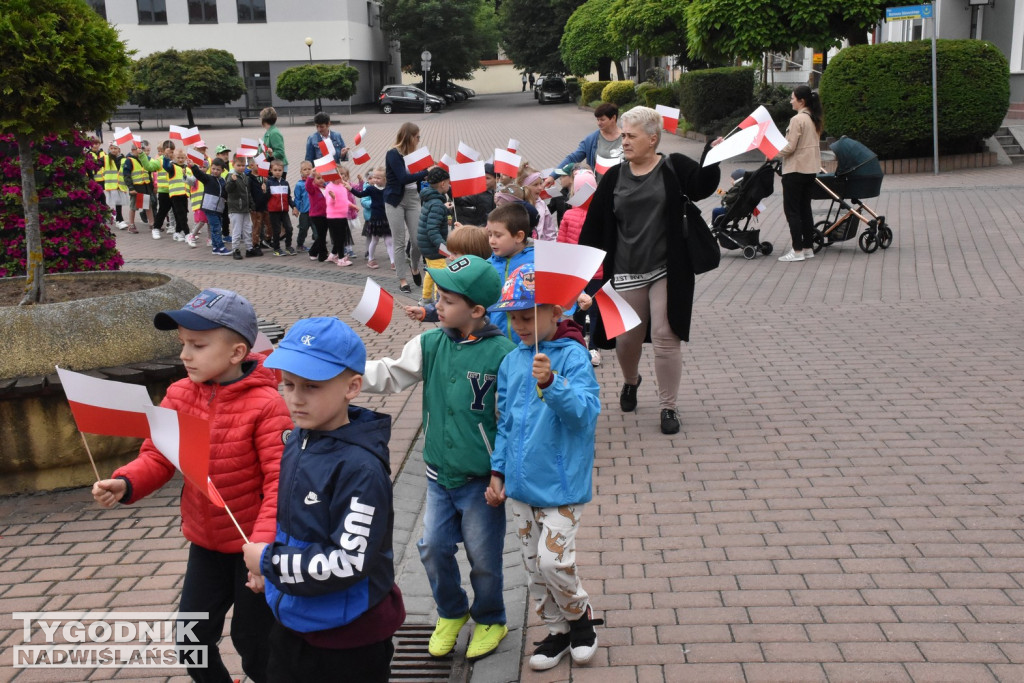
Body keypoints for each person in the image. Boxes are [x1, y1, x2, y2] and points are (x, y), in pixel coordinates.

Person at [92, 288, 291, 683]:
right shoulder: (179, 394)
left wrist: (264, 549)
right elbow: (159, 455)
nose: (185, 355)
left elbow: (279, 485)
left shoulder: (268, 405)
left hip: (253, 547)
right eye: (183, 343)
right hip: (205, 542)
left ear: (236, 353)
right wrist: (126, 481)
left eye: (198, 345)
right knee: (192, 640)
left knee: (255, 646)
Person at [362, 256, 516, 662]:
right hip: (438, 475)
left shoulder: (504, 353)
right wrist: (347, 372)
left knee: (484, 560)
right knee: (432, 547)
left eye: (446, 300)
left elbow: (512, 420)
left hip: (481, 481)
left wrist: (501, 470)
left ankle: (491, 618)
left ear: (477, 310)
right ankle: (451, 611)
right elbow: (392, 373)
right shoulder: (429, 343)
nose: (437, 305)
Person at [243, 317, 406, 683]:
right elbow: (292, 528)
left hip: (348, 636)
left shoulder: (361, 468)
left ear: (352, 387)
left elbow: (348, 561)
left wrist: (271, 563)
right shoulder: (297, 440)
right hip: (295, 620)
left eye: (312, 386)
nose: (297, 397)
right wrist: (270, 573)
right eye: (289, 384)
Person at [484, 264, 604, 671]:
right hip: (520, 484)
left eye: (526, 316)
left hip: (563, 483)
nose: (517, 325)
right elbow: (506, 422)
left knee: (554, 561)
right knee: (534, 567)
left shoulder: (572, 355)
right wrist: (498, 471)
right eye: (512, 317)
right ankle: (557, 629)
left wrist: (553, 383)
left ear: (555, 312)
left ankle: (580, 619)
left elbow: (586, 414)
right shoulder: (511, 361)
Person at [578, 105, 721, 435]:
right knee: (627, 339)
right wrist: (582, 272)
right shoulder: (614, 176)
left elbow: (702, 185)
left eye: (631, 136)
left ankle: (668, 406)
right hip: (626, 270)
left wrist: (711, 154)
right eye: (623, 135)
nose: (624, 142)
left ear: (652, 139)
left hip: (668, 269)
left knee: (664, 336)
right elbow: (595, 224)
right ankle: (631, 381)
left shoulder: (673, 167)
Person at [557, 169, 604, 366]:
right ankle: (593, 347)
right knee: (594, 310)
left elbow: (561, 245)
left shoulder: (569, 214)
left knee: (578, 310)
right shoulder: (603, 213)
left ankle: (576, 345)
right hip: (596, 271)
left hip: (577, 271)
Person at [404, 225, 493, 324]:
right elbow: (441, 305)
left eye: (455, 253)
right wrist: (424, 312)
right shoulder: (450, 278)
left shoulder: (488, 280)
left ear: (472, 255)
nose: (450, 258)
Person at [776, 85, 824, 263]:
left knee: (792, 211)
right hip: (810, 169)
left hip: (795, 169)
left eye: (792, 98)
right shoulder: (814, 118)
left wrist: (772, 154)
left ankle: (797, 250)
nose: (790, 101)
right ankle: (807, 247)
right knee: (805, 209)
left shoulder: (797, 120)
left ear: (801, 101)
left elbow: (790, 146)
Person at [384, 123, 430, 293]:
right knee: (399, 240)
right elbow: (403, 178)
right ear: (409, 136)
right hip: (395, 199)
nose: (419, 140)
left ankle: (414, 267)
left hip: (412, 199)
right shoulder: (393, 153)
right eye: (417, 137)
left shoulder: (416, 155)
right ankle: (402, 280)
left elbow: (418, 179)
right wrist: (425, 172)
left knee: (418, 240)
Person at [486, 203, 534, 343]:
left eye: (498, 235)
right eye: (489, 234)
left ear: (519, 236)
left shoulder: (538, 261)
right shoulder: (487, 265)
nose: (492, 241)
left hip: (532, 340)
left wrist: (580, 297)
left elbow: (560, 284)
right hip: (497, 340)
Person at [546, 103, 623, 187]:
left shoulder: (626, 138)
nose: (599, 123)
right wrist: (552, 176)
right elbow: (573, 158)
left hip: (622, 190)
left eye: (602, 119)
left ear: (613, 118)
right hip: (600, 190)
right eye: (597, 120)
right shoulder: (591, 139)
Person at [417, 166, 453, 304]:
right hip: (433, 246)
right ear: (443, 183)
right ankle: (440, 301)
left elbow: (432, 217)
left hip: (425, 243)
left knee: (431, 272)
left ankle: (426, 298)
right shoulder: (437, 203)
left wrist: (445, 210)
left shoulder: (430, 198)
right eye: (448, 183)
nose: (449, 186)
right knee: (441, 275)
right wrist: (443, 247)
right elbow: (432, 229)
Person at [350, 166, 393, 270]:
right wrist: (350, 188)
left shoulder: (389, 188)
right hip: (375, 219)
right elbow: (360, 195)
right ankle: (370, 259)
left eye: (378, 178)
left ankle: (393, 261)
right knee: (374, 240)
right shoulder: (371, 189)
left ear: (385, 179)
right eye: (374, 177)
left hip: (386, 219)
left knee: (389, 241)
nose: (375, 180)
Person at [188, 157, 231, 255]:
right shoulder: (208, 178)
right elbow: (199, 174)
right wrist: (193, 166)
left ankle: (215, 248)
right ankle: (220, 247)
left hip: (218, 210)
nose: (215, 171)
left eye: (218, 169)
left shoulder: (223, 182)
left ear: (222, 170)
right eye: (214, 168)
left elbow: (226, 193)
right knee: (216, 227)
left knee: (216, 227)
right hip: (209, 208)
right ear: (211, 168)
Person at [224, 155, 259, 259]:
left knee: (248, 229)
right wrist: (232, 181)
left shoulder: (244, 176)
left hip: (245, 208)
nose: (241, 167)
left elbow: (248, 192)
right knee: (237, 230)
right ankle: (236, 249)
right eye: (238, 165)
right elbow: (228, 190)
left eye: (243, 165)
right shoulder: (231, 176)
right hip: (236, 208)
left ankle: (249, 249)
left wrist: (251, 204)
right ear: (233, 164)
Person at [121, 142, 160, 234]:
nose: (140, 151)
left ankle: (152, 223)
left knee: (147, 205)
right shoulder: (129, 161)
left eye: (141, 149)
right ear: (132, 150)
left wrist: (153, 186)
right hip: (136, 187)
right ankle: (131, 225)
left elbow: (150, 172)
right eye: (138, 149)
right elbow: (126, 176)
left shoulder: (145, 159)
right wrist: (131, 188)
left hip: (145, 186)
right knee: (133, 206)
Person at [323, 168, 359, 266]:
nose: (341, 177)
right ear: (332, 178)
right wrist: (333, 198)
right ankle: (341, 259)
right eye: (339, 176)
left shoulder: (342, 186)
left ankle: (332, 255)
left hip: (342, 215)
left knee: (342, 237)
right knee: (339, 238)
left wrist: (352, 205)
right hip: (334, 217)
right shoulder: (329, 187)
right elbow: (329, 201)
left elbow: (344, 200)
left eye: (341, 175)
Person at [518, 165, 556, 241]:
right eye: (535, 185)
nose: (540, 188)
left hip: (541, 248)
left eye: (540, 183)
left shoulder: (541, 204)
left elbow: (549, 231)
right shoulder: (517, 206)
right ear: (524, 187)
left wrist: (552, 246)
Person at [161, 149, 191, 242]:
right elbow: (166, 166)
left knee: (183, 214)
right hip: (175, 195)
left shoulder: (187, 168)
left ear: (185, 158)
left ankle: (178, 232)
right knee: (181, 214)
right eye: (178, 158)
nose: (180, 160)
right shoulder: (172, 167)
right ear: (174, 158)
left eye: (182, 158)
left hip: (184, 194)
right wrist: (166, 158)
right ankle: (187, 233)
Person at [266, 159, 295, 256]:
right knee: (277, 230)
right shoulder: (269, 182)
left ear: (283, 171)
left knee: (289, 228)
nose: (277, 172)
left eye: (279, 170)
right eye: (275, 170)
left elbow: (288, 197)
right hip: (273, 211)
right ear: (271, 170)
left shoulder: (285, 183)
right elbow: (266, 197)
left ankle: (288, 246)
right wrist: (264, 190)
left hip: (284, 211)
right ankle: (276, 248)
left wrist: (294, 207)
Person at [454, 162, 495, 227]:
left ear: (496, 179)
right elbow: (461, 202)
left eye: (488, 178)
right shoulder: (478, 193)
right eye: (483, 177)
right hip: (482, 229)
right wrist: (451, 190)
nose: (484, 180)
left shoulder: (501, 193)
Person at [101, 142, 128, 230]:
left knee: (118, 203)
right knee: (114, 203)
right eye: (111, 148)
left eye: (115, 148)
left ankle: (119, 219)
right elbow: (95, 164)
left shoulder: (124, 159)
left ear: (119, 150)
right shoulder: (105, 158)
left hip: (120, 185)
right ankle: (118, 219)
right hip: (111, 185)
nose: (113, 150)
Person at [305, 169, 329, 262]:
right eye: (318, 178)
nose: (321, 180)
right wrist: (310, 176)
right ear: (314, 179)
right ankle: (323, 255)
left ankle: (313, 251)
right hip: (316, 215)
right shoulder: (313, 188)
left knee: (322, 235)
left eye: (323, 178)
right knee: (321, 235)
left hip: (326, 214)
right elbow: (307, 186)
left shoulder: (327, 188)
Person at [248, 158, 272, 250]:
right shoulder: (249, 178)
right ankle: (255, 244)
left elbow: (269, 194)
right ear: (251, 166)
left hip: (265, 206)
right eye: (257, 165)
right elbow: (249, 193)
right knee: (257, 227)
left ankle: (266, 240)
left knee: (269, 225)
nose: (260, 167)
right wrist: (252, 205)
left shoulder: (264, 178)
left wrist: (266, 190)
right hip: (255, 207)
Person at [260, 106, 289, 178]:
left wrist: (267, 155)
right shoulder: (269, 131)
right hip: (272, 167)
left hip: (277, 169)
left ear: (264, 120)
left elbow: (280, 152)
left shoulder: (274, 133)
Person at [293, 160, 313, 252]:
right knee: (303, 229)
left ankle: (320, 246)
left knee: (317, 230)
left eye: (309, 169)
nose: (307, 171)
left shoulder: (315, 182)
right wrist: (296, 208)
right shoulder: (299, 184)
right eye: (305, 169)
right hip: (305, 212)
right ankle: (300, 244)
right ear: (301, 171)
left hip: (315, 211)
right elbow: (297, 198)